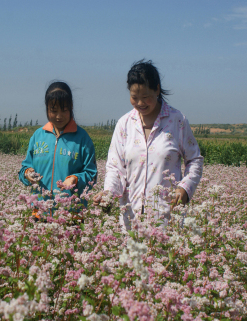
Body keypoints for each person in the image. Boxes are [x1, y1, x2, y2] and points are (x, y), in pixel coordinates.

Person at [94, 60, 203, 230]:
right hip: (130, 219)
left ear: (157, 89)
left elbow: (195, 160)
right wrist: (108, 192)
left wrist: (184, 189)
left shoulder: (177, 120)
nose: (140, 103)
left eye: (145, 97)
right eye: (134, 97)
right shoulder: (124, 124)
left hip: (166, 218)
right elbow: (115, 168)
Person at [18, 81, 97, 217]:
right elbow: (24, 168)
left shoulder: (82, 138)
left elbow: (92, 175)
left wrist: (74, 179)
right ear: (47, 108)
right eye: (54, 111)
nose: (59, 116)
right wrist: (27, 173)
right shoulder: (38, 136)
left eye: (64, 110)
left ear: (71, 107)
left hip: (71, 212)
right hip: (39, 210)